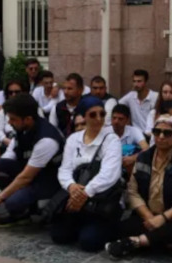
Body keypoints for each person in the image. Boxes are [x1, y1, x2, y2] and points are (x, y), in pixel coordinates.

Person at [106, 114, 172, 261]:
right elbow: (133, 192)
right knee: (121, 228)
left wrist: (163, 218)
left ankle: (137, 242)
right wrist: (150, 217)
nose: (161, 136)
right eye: (157, 131)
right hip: (149, 217)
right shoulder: (143, 157)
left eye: (167, 133)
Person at [51, 96, 122, 252]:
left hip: (100, 200)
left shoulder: (112, 140)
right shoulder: (73, 139)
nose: (99, 119)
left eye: (102, 114)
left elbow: (109, 174)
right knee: (58, 235)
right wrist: (71, 186)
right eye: (93, 115)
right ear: (83, 116)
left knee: (89, 243)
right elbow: (65, 169)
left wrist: (85, 193)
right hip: (76, 194)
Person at [0, 94, 64, 225]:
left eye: (13, 119)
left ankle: (36, 209)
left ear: (28, 119)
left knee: (13, 202)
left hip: (48, 181)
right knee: (0, 165)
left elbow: (26, 177)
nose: (9, 122)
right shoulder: (22, 129)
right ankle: (22, 202)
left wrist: (0, 197)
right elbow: (10, 154)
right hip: (31, 174)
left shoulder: (46, 140)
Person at [0, 80, 39, 150]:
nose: (13, 95)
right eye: (10, 93)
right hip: (8, 143)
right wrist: (6, 140)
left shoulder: (33, 109)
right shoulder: (3, 111)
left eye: (17, 92)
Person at [110, 104, 149, 175]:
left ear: (127, 120)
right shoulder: (105, 132)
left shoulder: (134, 131)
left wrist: (133, 158)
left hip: (128, 168)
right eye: (114, 118)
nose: (116, 121)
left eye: (120, 119)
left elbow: (146, 149)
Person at [119, 69, 158, 136]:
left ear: (146, 82)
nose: (136, 84)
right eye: (134, 81)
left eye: (139, 81)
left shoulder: (156, 97)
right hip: (136, 135)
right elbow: (117, 106)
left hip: (152, 135)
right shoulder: (130, 96)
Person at [49, 73, 84, 137]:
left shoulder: (87, 107)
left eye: (69, 89)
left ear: (80, 90)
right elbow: (52, 131)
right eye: (64, 88)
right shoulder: (57, 108)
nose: (65, 92)